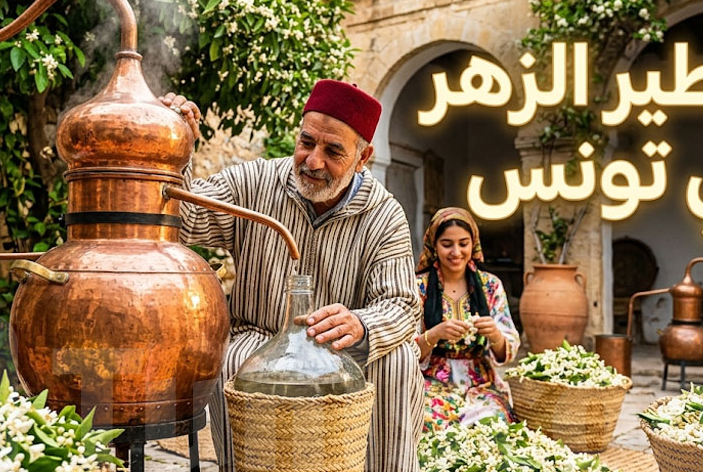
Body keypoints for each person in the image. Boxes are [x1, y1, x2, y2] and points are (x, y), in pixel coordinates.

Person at [162, 80, 423, 472]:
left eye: (333, 151)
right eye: (307, 142)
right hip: (262, 336)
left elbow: (402, 304)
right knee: (233, 358)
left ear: (363, 156)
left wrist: (361, 324)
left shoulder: (384, 215)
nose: (313, 161)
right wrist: (175, 144)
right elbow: (187, 219)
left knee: (398, 359)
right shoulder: (254, 182)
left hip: (339, 349)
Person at [414, 207, 520, 432]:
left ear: (474, 244)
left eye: (463, 244)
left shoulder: (490, 285)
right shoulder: (418, 287)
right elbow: (403, 349)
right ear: (434, 245)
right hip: (431, 381)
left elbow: (507, 350)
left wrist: (495, 335)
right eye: (447, 244)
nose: (456, 252)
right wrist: (434, 334)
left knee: (494, 422)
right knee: (427, 420)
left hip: (481, 382)